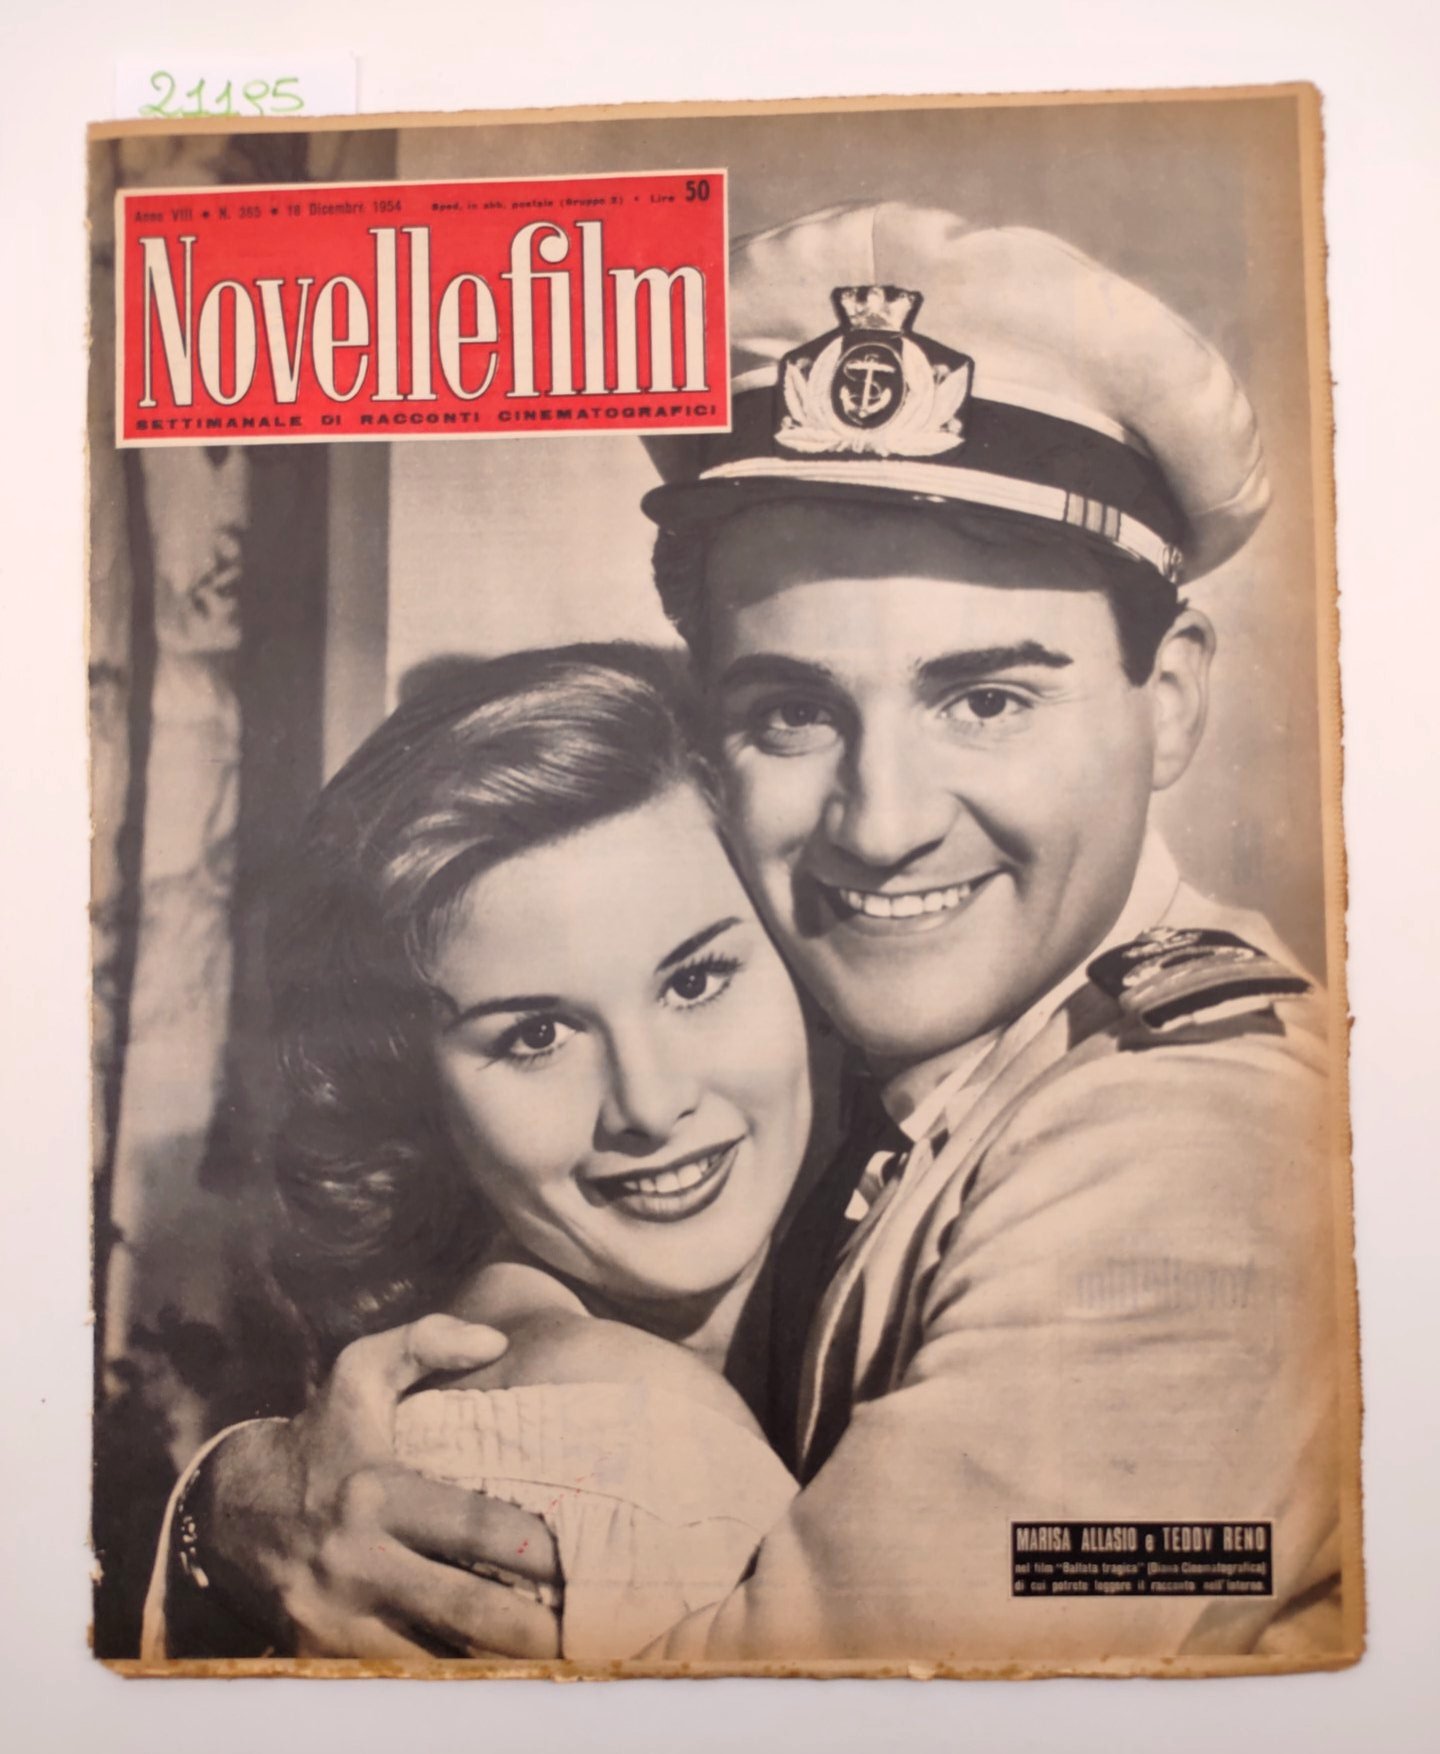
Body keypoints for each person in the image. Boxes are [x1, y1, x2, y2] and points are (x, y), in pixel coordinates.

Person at [154, 204, 1348, 1667]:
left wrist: (233, 1527)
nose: (883, 823)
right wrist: (233, 1499)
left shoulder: (1188, 1157)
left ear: (1170, 700)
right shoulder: (879, 1033)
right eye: (795, 710)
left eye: (987, 698)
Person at [144, 647, 813, 1661]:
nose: (650, 1101)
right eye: (536, 1035)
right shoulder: (649, 1446)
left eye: (695, 981)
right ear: (417, 1093)